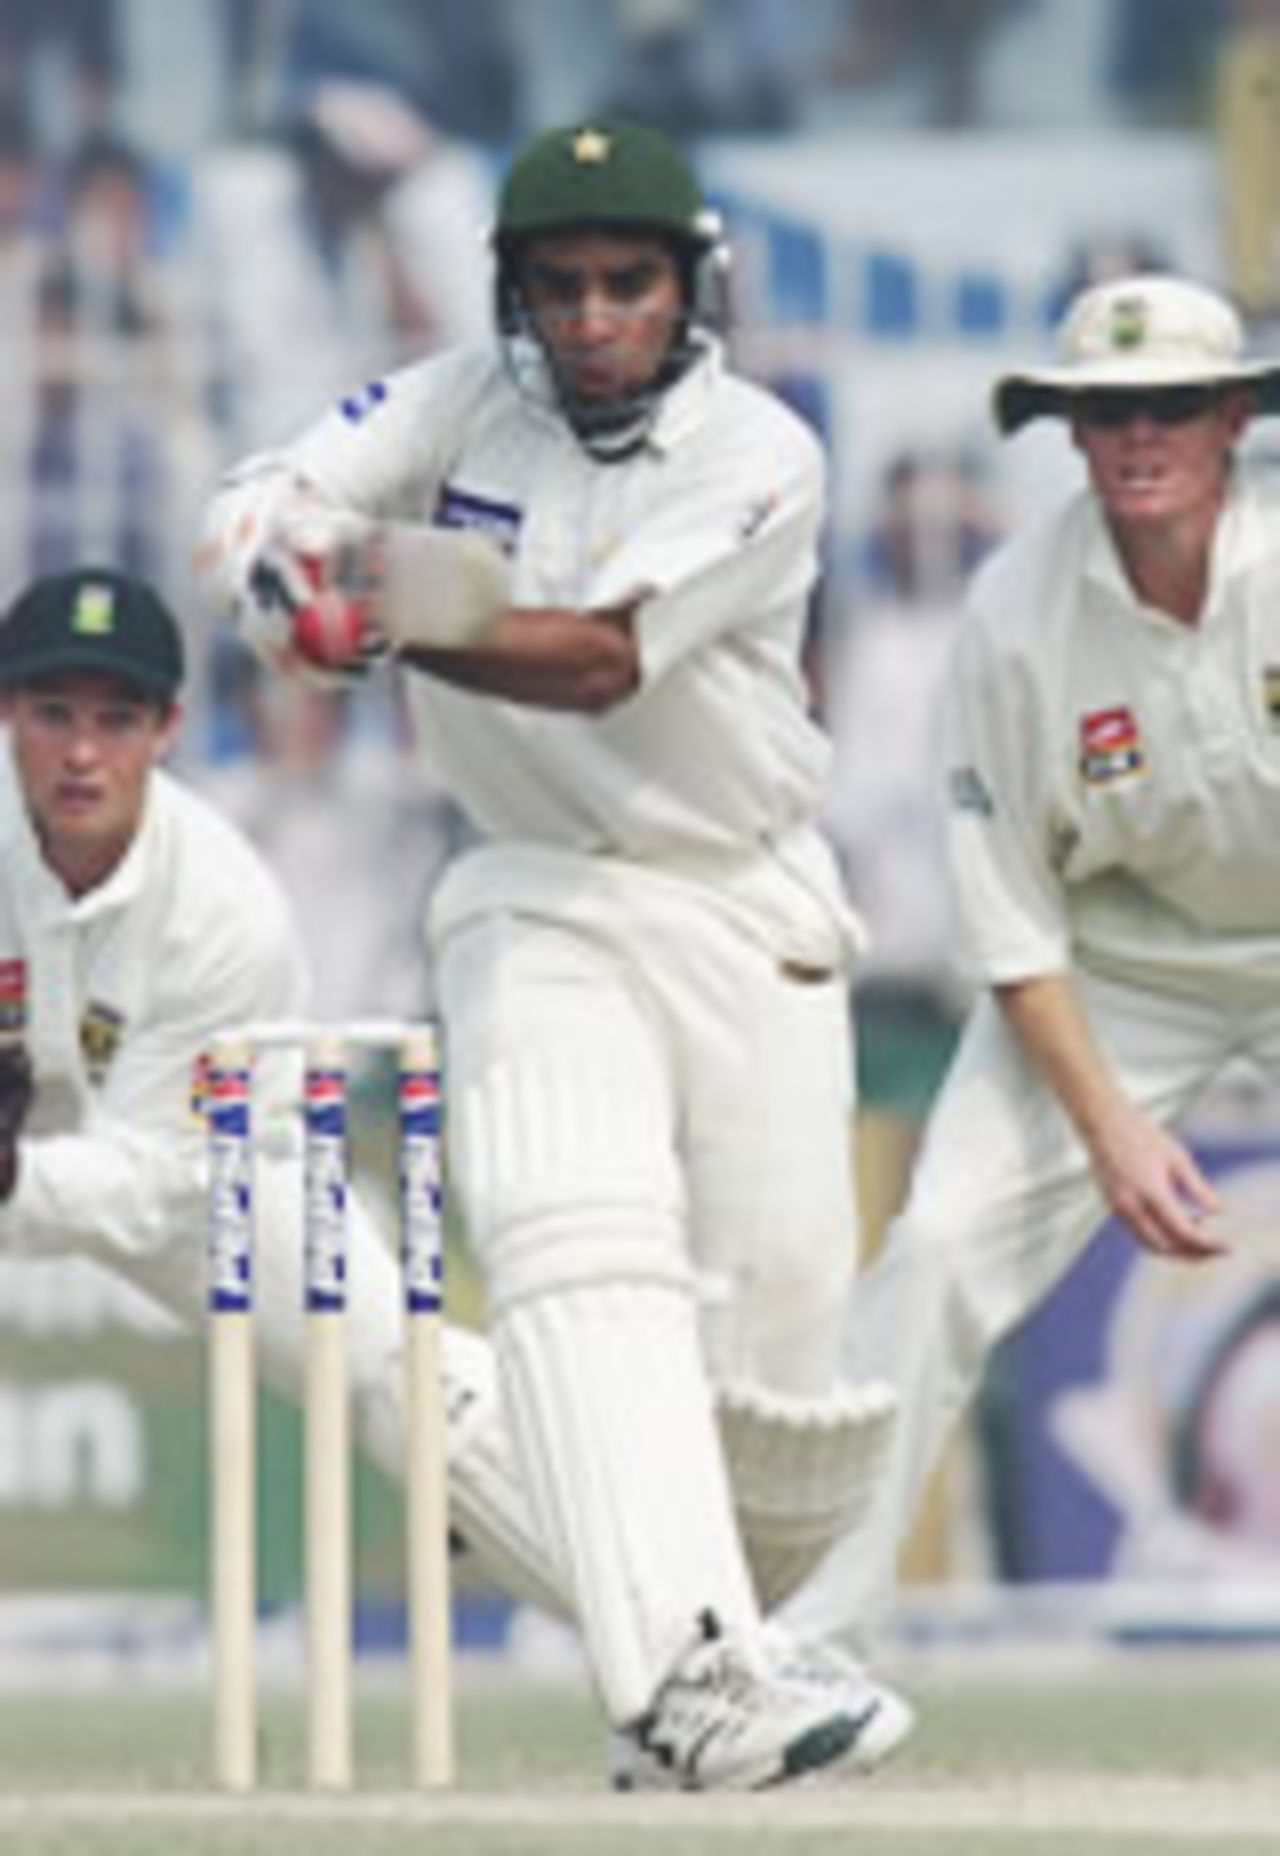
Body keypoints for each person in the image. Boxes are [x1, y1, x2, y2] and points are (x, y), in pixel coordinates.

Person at [197, 119, 913, 1790]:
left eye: (628, 284)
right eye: (562, 286)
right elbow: (260, 500)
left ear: (690, 288)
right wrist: (276, 570)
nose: (594, 317)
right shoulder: (453, 405)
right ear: (516, 293)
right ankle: (682, 1671)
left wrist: (364, 605)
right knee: (575, 1241)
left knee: (777, 1394)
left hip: (743, 901)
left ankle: (620, 1575)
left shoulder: (763, 452)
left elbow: (596, 660)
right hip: (534, 897)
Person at [777, 270, 1280, 1649]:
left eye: (1171, 405)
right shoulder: (1013, 614)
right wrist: (1111, 1129)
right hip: (1113, 963)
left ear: (1233, 416)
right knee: (936, 1248)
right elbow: (1008, 917)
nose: (1138, 438)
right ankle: (810, 1641)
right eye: (1105, 410)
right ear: (1065, 430)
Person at [0, 561, 590, 1638]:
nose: (82, 753)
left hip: (210, 1167)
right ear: (6, 714)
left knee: (399, 1382)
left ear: (169, 727)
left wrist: (16, 1176)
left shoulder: (224, 909)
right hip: (48, 1144)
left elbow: (150, 1182)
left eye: (116, 719)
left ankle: (687, 1638)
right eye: (51, 715)